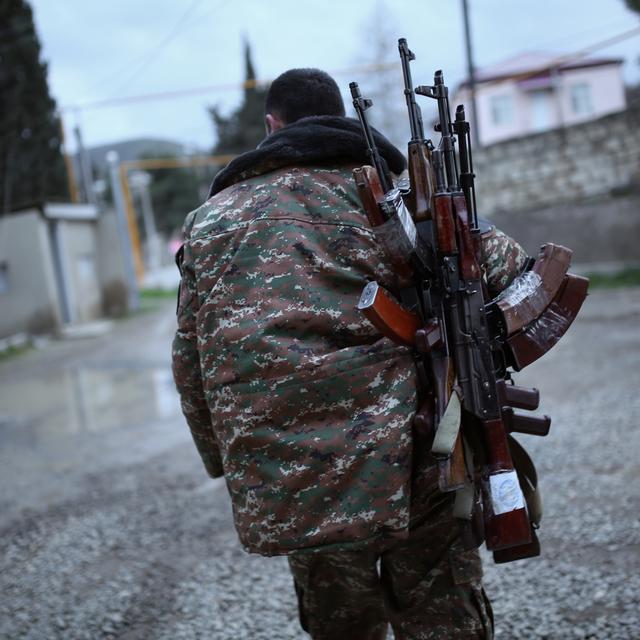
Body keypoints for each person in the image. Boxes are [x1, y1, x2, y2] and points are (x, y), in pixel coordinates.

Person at [172, 68, 528, 640]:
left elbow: (190, 362)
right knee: (442, 619)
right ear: (337, 115)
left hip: (291, 474)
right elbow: (514, 274)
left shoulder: (210, 223)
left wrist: (226, 460)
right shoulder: (399, 191)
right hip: (418, 455)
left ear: (272, 126)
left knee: (342, 625)